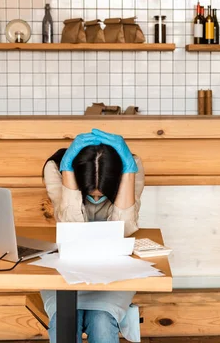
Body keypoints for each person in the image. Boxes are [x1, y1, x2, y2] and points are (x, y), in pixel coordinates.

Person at [41, 129, 145, 343]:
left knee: (101, 320)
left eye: (102, 194)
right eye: (91, 194)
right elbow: (72, 231)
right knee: (65, 319)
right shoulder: (55, 168)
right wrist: (67, 171)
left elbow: (123, 231)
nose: (96, 198)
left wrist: (128, 172)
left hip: (113, 269)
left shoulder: (131, 167)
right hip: (67, 270)